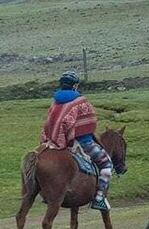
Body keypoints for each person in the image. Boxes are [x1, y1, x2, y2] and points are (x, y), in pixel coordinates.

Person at [42, 70, 113, 211]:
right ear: (75, 86)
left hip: (56, 142)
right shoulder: (81, 101)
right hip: (83, 143)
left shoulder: (55, 101)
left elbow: (50, 122)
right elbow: (90, 122)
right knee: (106, 165)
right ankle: (99, 199)